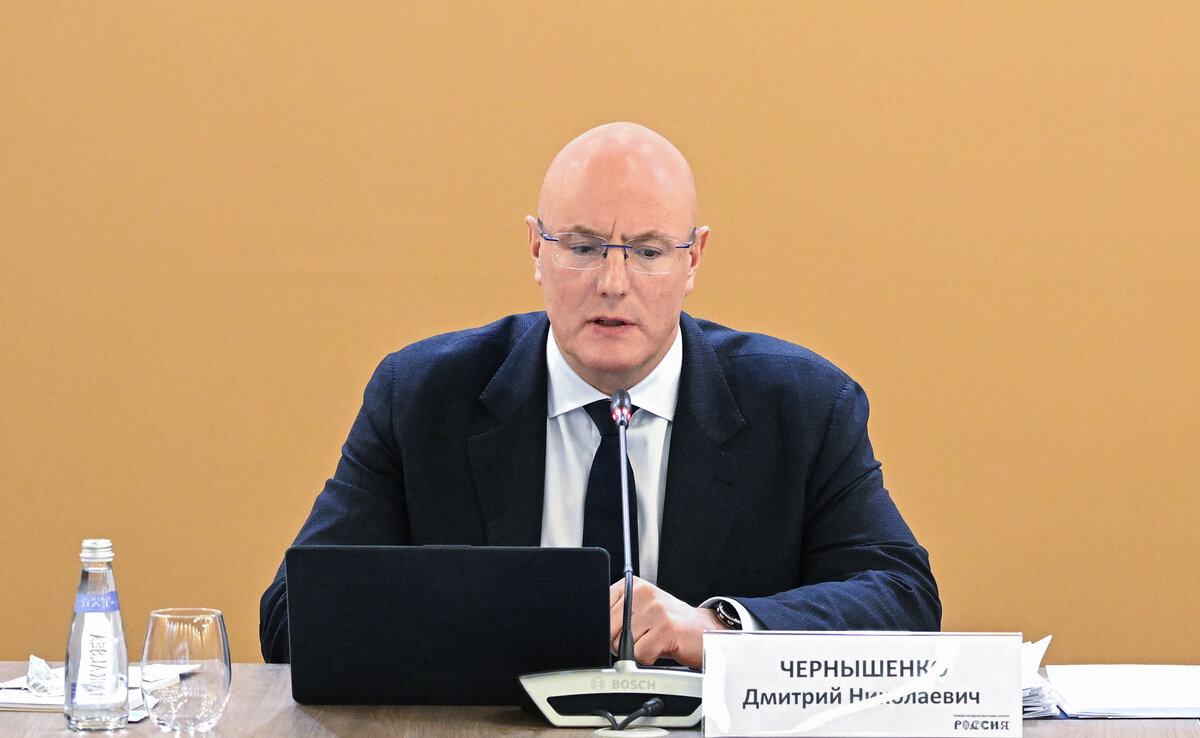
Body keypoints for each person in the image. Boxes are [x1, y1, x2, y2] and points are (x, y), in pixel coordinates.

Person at [260, 122, 940, 669]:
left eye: (648, 252)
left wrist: (719, 630)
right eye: (583, 248)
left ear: (693, 259)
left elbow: (903, 599)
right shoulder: (421, 397)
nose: (613, 283)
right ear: (536, 249)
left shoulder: (804, 407)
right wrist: (502, 623)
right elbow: (294, 617)